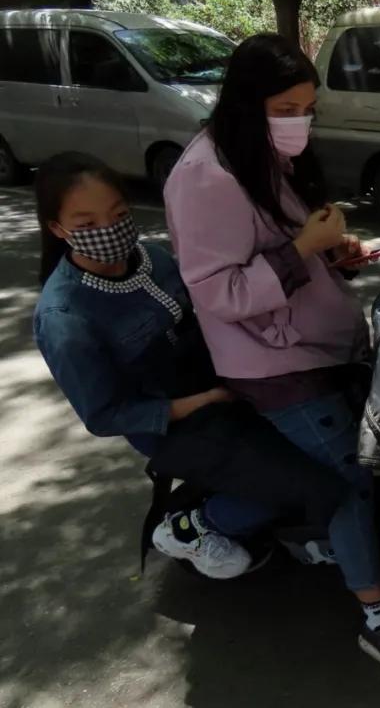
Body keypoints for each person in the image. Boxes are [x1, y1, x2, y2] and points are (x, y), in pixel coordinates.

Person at [163, 34, 380, 682]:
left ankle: (198, 520)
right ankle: (378, 620)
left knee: (305, 474)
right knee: (345, 482)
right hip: (272, 363)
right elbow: (223, 292)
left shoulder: (258, 154)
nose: (299, 122)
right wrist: (304, 248)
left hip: (315, 341)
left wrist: (333, 252)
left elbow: (282, 245)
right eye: (285, 107)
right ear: (246, 101)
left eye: (307, 108)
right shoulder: (205, 177)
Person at [32, 152, 349, 582]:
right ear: (56, 228)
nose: (108, 229)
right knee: (316, 486)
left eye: (119, 213)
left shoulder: (154, 257)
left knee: (329, 443)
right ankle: (194, 527)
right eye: (86, 225)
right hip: (176, 426)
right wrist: (203, 400)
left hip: (225, 386)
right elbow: (105, 414)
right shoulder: (64, 317)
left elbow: (219, 301)